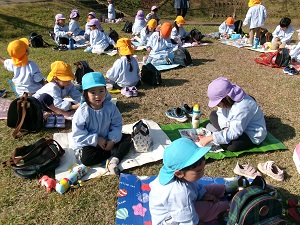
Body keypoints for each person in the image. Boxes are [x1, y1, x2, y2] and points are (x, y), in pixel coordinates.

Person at [149, 138, 243, 224]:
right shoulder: (178, 193)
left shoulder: (176, 173)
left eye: (203, 168)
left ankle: (228, 189)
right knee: (206, 208)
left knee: (209, 188)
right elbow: (185, 216)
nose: (202, 173)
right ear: (179, 173)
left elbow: (194, 187)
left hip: (184, 204)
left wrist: (202, 194)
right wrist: (195, 223)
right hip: (173, 219)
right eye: (198, 171)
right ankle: (232, 205)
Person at [72, 72, 132, 174]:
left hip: (108, 138)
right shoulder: (82, 111)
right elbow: (78, 134)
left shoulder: (110, 107)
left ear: (106, 91)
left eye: (101, 91)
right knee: (86, 159)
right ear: (85, 94)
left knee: (128, 138)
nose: (97, 96)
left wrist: (112, 140)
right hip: (90, 143)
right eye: (93, 92)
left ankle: (114, 161)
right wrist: (96, 139)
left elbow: (117, 124)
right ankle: (111, 152)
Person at [199, 77, 267, 152]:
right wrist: (224, 127)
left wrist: (211, 137)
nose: (217, 105)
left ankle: (221, 135)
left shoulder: (242, 108)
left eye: (218, 103)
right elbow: (220, 113)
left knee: (233, 146)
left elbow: (234, 132)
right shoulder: (228, 101)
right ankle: (223, 134)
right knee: (213, 115)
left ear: (225, 99)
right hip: (234, 126)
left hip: (250, 133)